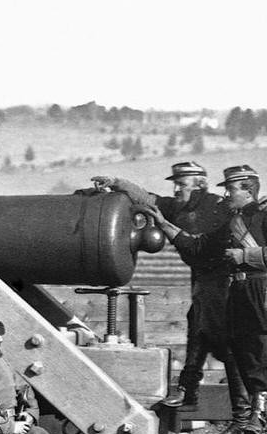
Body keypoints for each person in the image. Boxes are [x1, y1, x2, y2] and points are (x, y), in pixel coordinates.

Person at [91, 163, 248, 419]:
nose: (176, 189)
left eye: (181, 184)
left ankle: (239, 409)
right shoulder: (177, 207)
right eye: (175, 183)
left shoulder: (219, 207)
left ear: (200, 185)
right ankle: (190, 393)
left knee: (223, 341)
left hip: (224, 281)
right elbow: (146, 198)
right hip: (202, 280)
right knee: (197, 330)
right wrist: (116, 181)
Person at [162, 164, 267, 434]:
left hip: (262, 288)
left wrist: (245, 257)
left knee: (265, 345)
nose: (226, 194)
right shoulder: (231, 222)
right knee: (242, 348)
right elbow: (199, 246)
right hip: (237, 292)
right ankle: (259, 415)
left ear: (248, 190)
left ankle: (261, 414)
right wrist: (165, 226)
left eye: (231, 189)